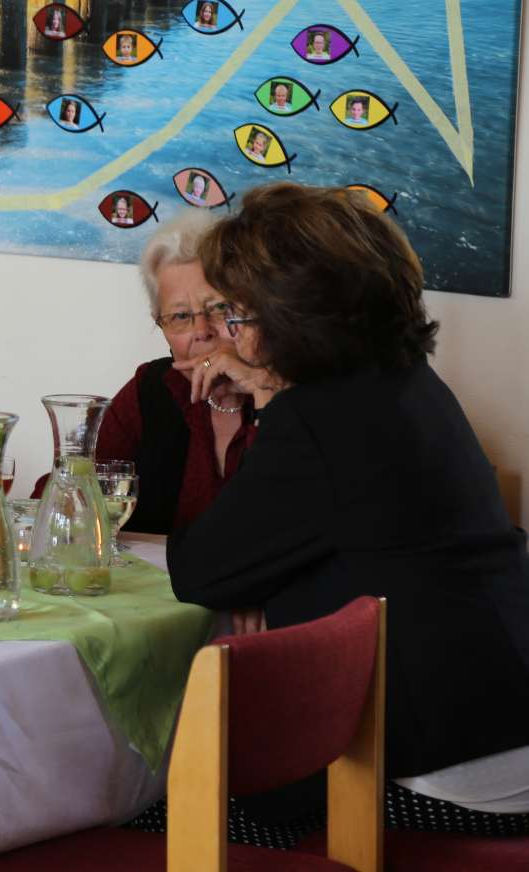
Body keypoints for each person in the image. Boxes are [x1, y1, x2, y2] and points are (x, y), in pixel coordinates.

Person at [170, 183, 529, 840]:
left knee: (168, 803)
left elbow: (198, 571)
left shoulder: (315, 418)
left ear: (292, 322)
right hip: (504, 718)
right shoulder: (410, 382)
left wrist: (270, 399)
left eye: (237, 315)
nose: (225, 334)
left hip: (444, 770)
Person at [91, 210, 255, 536]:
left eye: (219, 308)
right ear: (159, 324)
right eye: (180, 316)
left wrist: (262, 387)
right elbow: (80, 494)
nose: (202, 331)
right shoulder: (150, 391)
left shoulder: (291, 395)